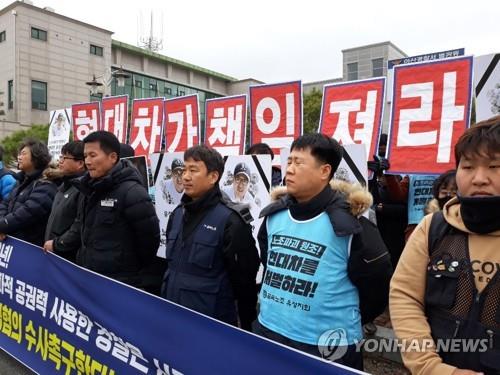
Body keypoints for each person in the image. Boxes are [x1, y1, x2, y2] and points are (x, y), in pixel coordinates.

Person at [254, 133, 392, 370]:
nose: (290, 169)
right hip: (269, 332)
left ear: (324, 171)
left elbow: (377, 288)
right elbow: (268, 262)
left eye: (299, 163)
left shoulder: (352, 226)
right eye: (289, 162)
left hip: (326, 348)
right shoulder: (273, 216)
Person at [390, 116, 500, 374]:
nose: (479, 178)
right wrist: (430, 367)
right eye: (468, 166)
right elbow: (405, 296)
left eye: (495, 166)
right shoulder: (434, 227)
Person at [161, 145, 259, 331]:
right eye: (184, 169)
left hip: (210, 326)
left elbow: (244, 282)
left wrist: (246, 327)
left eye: (193, 170)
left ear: (213, 177)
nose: (185, 176)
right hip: (172, 317)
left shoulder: (230, 220)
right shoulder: (177, 214)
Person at [71, 131, 160, 288]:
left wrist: (127, 269)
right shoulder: (88, 189)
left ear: (112, 157)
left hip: (119, 283)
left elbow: (149, 242)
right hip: (88, 277)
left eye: (93, 155)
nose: (88, 161)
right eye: (85, 156)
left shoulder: (133, 193)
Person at [0, 139, 57, 246]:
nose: (19, 157)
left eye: (23, 154)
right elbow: (5, 203)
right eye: (19, 154)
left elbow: (28, 212)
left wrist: (3, 226)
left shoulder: (47, 184)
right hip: (11, 242)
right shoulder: (20, 181)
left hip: (30, 247)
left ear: (36, 157)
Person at [43, 141, 86, 262]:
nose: (60, 160)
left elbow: (78, 226)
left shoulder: (82, 189)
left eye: (65, 157)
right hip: (52, 251)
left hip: (67, 258)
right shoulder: (63, 185)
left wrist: (58, 244)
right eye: (60, 156)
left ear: (80, 163)